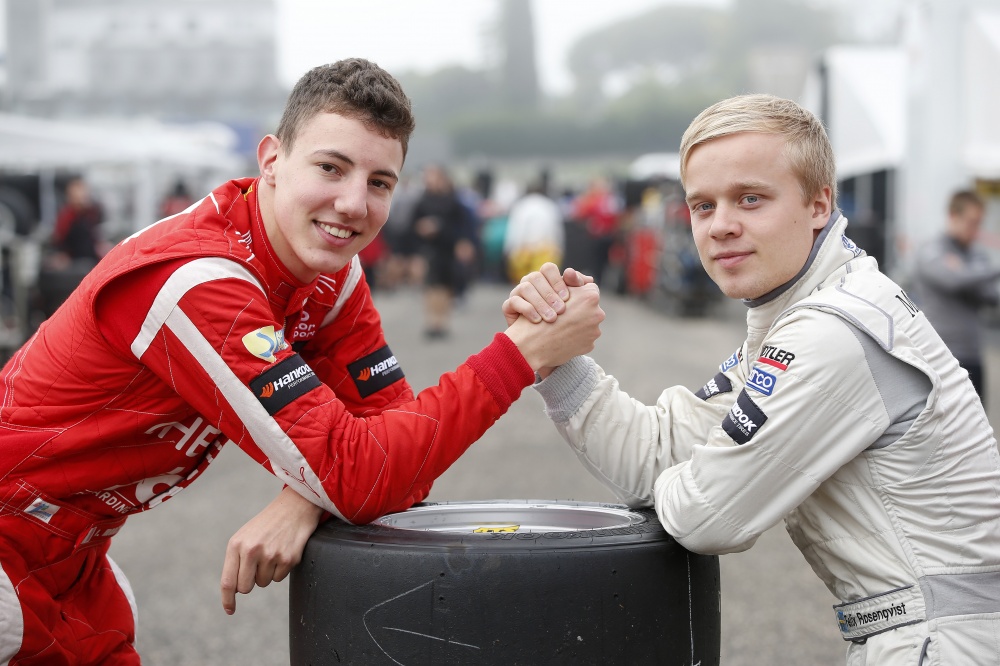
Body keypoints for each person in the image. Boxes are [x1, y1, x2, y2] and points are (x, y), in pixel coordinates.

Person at [0, 58, 604, 665]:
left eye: (380, 183)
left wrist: (307, 494)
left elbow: (396, 441)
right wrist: (519, 355)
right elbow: (369, 470)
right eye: (330, 168)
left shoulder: (329, 272)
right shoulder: (197, 280)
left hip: (75, 560)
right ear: (270, 160)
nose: (352, 203)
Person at [510, 94, 1000, 665]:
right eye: (702, 205)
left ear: (819, 205)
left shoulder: (833, 330)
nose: (721, 226)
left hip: (946, 642)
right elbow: (656, 456)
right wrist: (557, 360)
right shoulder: (797, 315)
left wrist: (700, 474)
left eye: (750, 198)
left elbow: (706, 516)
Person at [912, 189, 1000, 401]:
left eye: (979, 223)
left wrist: (966, 273)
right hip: (941, 357)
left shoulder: (976, 254)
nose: (976, 230)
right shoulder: (931, 250)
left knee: (978, 430)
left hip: (974, 356)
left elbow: (991, 294)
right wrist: (970, 276)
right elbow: (954, 281)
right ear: (953, 216)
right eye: (971, 223)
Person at [408, 164, 476, 338]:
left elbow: (463, 225)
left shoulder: (453, 200)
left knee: (446, 286)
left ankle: (442, 321)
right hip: (428, 249)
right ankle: (432, 321)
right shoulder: (422, 200)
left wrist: (463, 242)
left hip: (448, 248)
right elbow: (411, 226)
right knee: (431, 286)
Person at [503, 181, 565, 284]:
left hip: (523, 248)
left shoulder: (521, 206)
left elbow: (515, 230)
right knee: (542, 282)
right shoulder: (549, 205)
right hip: (545, 248)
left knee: (523, 282)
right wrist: (560, 248)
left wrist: (508, 249)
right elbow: (556, 230)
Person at [50, 176, 105, 267]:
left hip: (91, 257)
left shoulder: (93, 213)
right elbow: (59, 240)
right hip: (72, 260)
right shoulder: (66, 216)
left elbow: (97, 236)